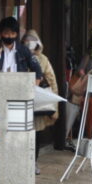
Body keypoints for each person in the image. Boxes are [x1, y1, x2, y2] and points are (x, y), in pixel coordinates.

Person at [23, 30, 59, 174]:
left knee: (36, 134)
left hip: (38, 103)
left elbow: (52, 81)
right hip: (21, 101)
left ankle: (34, 162)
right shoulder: (19, 57)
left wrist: (55, 106)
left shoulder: (43, 60)